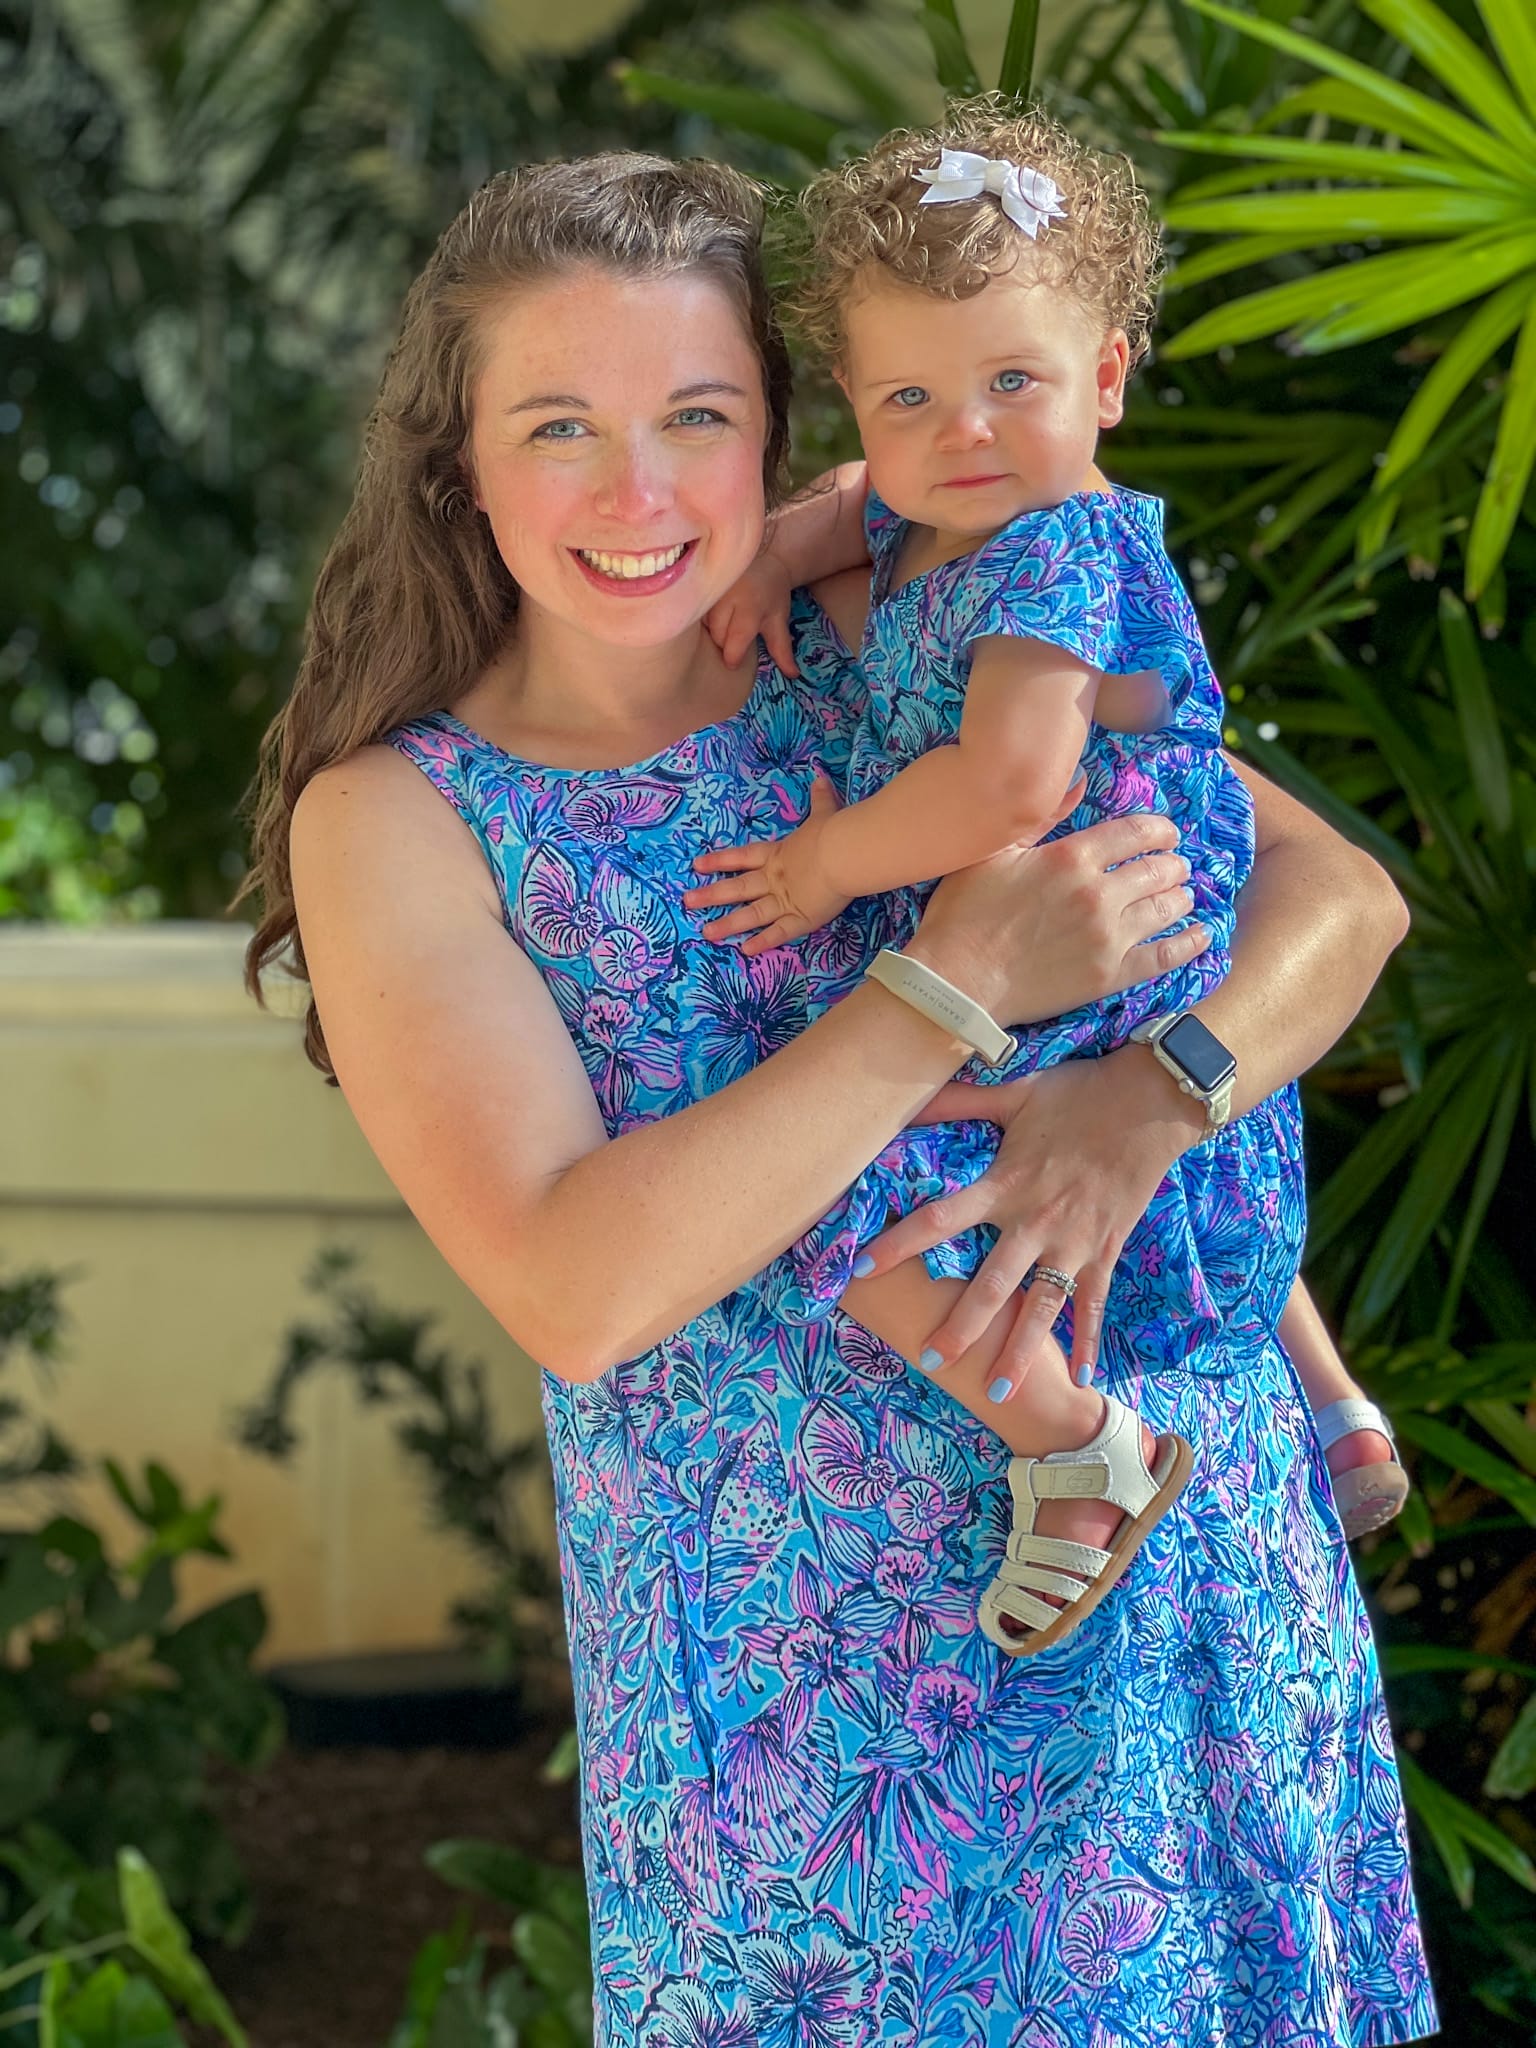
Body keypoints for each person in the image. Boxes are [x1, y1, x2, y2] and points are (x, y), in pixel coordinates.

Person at [242, 153, 1436, 2045]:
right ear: (455, 457)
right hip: (811, 1771)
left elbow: (1340, 900)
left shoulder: (905, 644)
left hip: (1181, 1609)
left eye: (696, 420)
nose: (639, 495)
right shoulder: (402, 815)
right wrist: (952, 985)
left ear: (780, 440)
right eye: (561, 427)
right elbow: (576, 1282)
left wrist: (1155, 1092)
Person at [690, 105, 1406, 1651]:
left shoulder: (1053, 550)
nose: (965, 430)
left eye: (1014, 383)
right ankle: (1329, 1394)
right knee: (1202, 1195)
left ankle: (1073, 1439)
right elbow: (846, 503)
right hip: (1117, 948)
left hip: (1117, 932)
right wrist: (769, 553)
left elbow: (1011, 782)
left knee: (823, 1175)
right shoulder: (936, 502)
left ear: (1107, 379)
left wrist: (824, 866)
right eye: (911, 397)